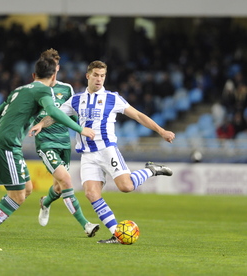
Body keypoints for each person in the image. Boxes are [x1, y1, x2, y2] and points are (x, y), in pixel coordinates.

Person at [30, 60, 175, 244]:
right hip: (88, 155)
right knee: (91, 194)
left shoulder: (112, 98)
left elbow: (138, 115)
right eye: (96, 75)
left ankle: (152, 170)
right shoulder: (77, 99)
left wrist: (161, 131)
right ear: (88, 76)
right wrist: (42, 124)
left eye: (102, 76)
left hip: (107, 150)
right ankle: (117, 233)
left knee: (126, 187)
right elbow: (56, 115)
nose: (99, 79)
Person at [0, 57, 95, 251]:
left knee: (26, 189)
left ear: (33, 75)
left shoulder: (18, 90)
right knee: (17, 196)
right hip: (7, 144)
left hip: (3, 142)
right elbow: (53, 110)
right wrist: (80, 129)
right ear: (53, 77)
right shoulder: (44, 90)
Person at [34, 49, 99, 237]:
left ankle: (45, 202)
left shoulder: (67, 89)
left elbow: (75, 115)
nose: (53, 69)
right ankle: (86, 225)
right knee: (66, 181)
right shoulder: (34, 89)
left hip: (64, 142)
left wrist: (83, 132)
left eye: (55, 65)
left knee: (58, 187)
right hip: (46, 142)